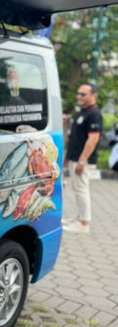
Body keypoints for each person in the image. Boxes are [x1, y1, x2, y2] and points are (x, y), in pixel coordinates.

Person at [62, 83, 103, 234]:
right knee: (77, 189)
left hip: (83, 160)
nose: (79, 96)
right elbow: (75, 137)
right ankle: (79, 218)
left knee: (81, 189)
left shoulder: (94, 114)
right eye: (78, 93)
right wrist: (68, 157)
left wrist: (82, 160)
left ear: (94, 96)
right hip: (74, 157)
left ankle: (84, 223)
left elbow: (93, 139)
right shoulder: (82, 113)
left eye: (83, 94)